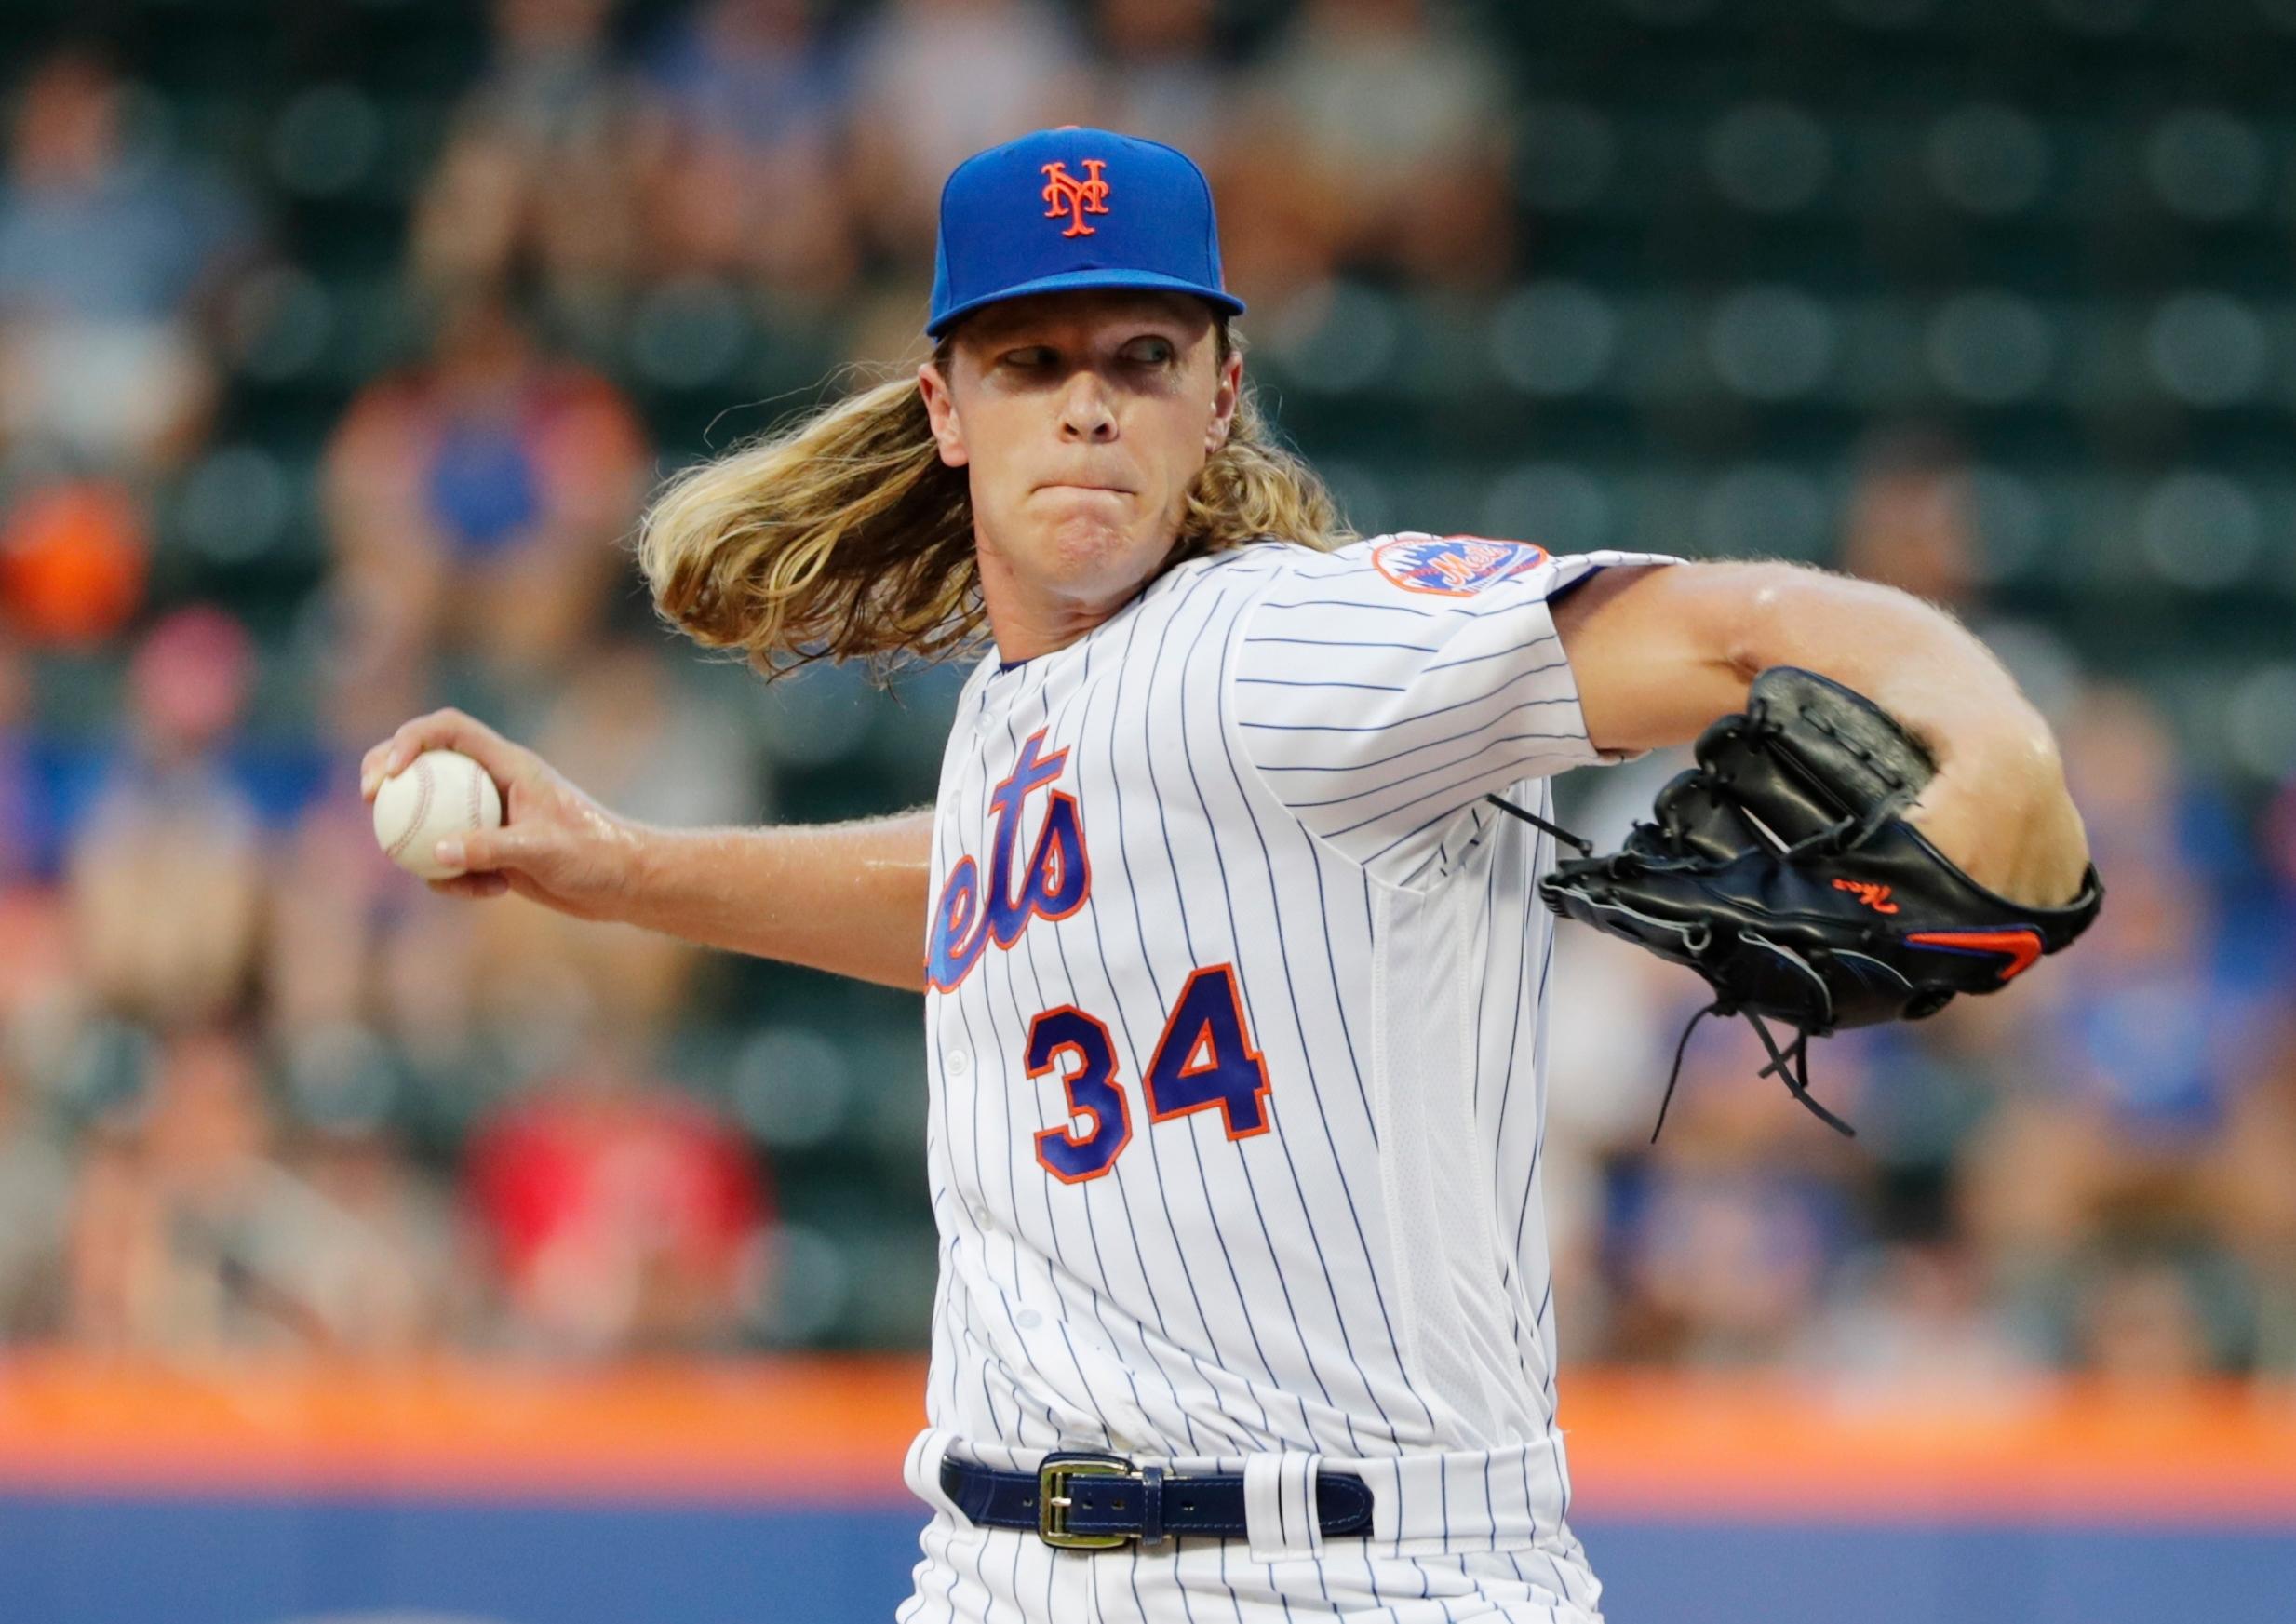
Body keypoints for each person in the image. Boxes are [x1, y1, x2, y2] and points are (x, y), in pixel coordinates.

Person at [361, 128, 2090, 1620]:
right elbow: (992, 911)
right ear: (945, 406)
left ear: (1221, 390)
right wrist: (621, 866)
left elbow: (1725, 631)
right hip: (1002, 1560)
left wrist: (1985, 725)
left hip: (1367, 1573)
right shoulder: (1019, 709)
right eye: (1034, 364)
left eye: (1140, 355)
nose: (1090, 405)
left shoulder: (1296, 635)